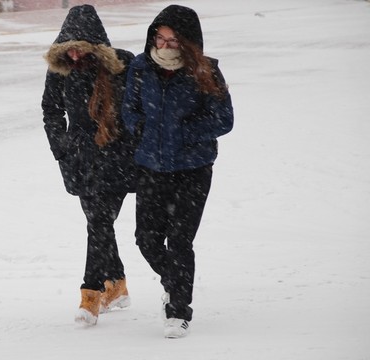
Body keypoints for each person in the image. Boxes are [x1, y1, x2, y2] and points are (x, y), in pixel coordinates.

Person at [122, 5, 234, 338]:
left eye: (173, 39)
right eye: (161, 37)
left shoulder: (206, 71)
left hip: (193, 168)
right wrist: (143, 130)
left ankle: (178, 310)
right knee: (147, 240)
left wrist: (179, 133)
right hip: (151, 167)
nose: (166, 44)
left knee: (180, 241)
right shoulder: (141, 67)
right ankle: (175, 284)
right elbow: (129, 110)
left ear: (187, 41)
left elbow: (223, 119)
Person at [41, 4, 136, 326]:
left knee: (98, 224)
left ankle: (90, 294)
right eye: (69, 51)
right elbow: (50, 110)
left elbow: (142, 107)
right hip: (80, 159)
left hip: (119, 157)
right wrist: (62, 147)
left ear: (96, 45)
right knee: (100, 225)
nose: (75, 57)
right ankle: (117, 285)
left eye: (81, 50)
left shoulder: (123, 65)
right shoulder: (61, 70)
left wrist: (135, 143)